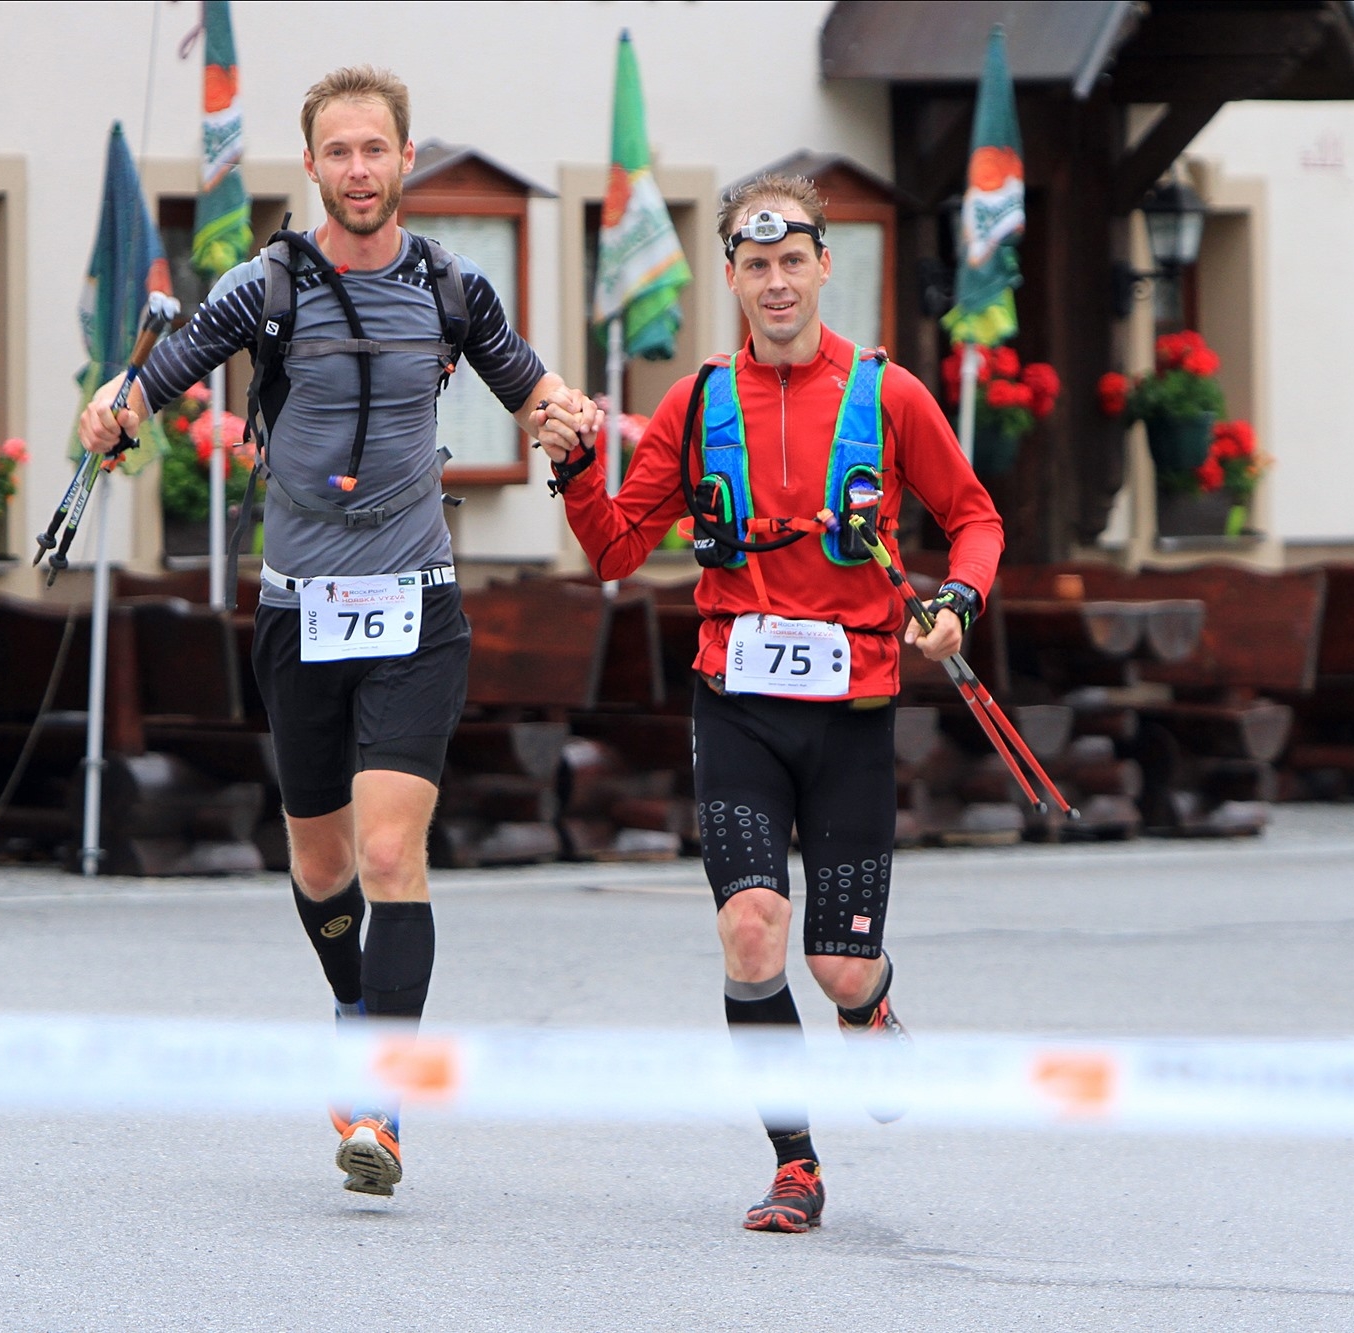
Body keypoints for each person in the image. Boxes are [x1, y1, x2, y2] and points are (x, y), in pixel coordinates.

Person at [78, 65, 598, 1198]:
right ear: (310, 166)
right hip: (299, 611)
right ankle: (354, 1007)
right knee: (319, 869)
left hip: (416, 605)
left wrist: (568, 413)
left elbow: (535, 389)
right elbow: (150, 381)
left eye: (377, 149)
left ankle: (381, 1094)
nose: (359, 169)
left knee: (384, 851)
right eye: (339, 152)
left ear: (407, 161)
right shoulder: (261, 287)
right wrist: (111, 410)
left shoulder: (453, 286)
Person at [538, 172, 1002, 1232]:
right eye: (755, 265)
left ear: (822, 267)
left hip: (851, 707)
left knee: (835, 964)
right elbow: (614, 548)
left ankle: (871, 1005)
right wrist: (572, 469)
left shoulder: (888, 393)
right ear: (732, 277)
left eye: (792, 261)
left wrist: (955, 602)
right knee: (751, 932)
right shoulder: (697, 400)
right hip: (735, 703)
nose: (775, 282)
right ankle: (794, 1162)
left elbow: (974, 517)